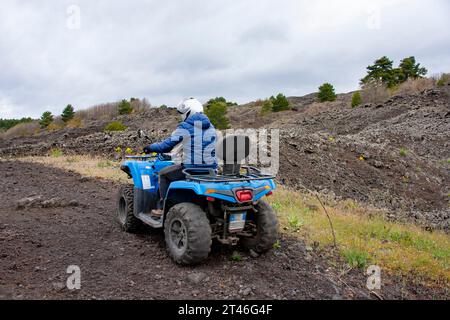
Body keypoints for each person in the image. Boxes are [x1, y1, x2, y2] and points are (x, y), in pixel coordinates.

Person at [143, 98, 217, 216]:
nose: (182, 116)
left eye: (183, 114)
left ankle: (162, 208)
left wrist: (150, 147)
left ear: (189, 112)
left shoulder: (186, 126)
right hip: (211, 169)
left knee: (163, 174)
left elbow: (165, 146)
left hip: (191, 168)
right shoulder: (211, 126)